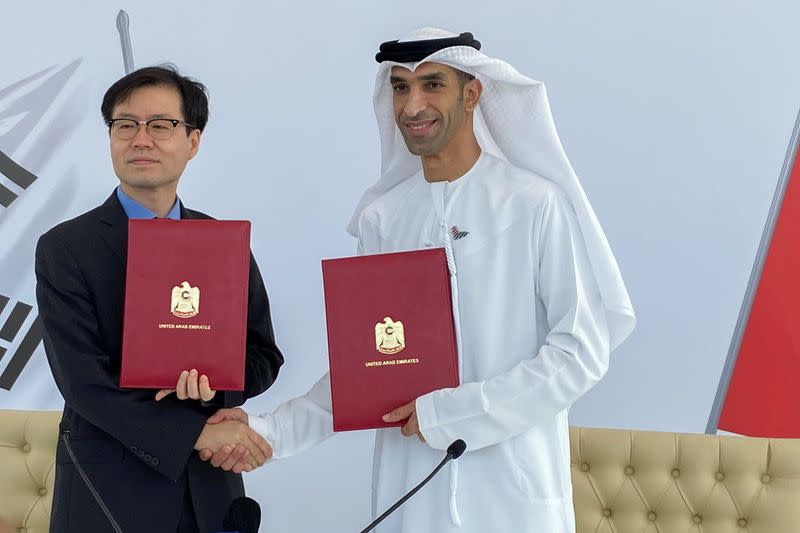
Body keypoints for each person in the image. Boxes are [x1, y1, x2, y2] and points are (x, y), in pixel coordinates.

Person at [207, 28, 635, 532]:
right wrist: (268, 431)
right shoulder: (383, 219)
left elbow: (579, 353)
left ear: (472, 93)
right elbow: (368, 369)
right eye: (400, 87)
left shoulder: (534, 203)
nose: (413, 106)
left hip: (512, 494)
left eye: (433, 85)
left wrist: (452, 412)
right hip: (410, 494)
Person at [35, 65, 283, 533]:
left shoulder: (221, 241)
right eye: (124, 125)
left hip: (212, 490)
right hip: (108, 488)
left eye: (161, 125)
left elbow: (263, 356)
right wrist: (197, 432)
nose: (140, 139)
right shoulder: (66, 247)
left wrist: (217, 388)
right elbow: (83, 383)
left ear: (192, 141)